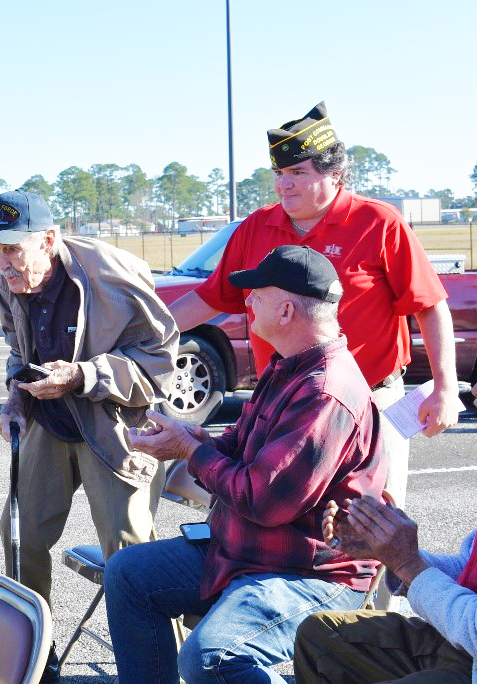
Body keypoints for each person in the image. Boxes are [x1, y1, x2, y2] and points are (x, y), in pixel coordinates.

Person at [105, 245, 388, 684]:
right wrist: (193, 437)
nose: (248, 300)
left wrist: (188, 450)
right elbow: (239, 445)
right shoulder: (290, 367)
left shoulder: (325, 392)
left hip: (307, 574)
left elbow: (265, 501)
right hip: (250, 553)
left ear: (288, 310)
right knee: (128, 574)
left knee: (212, 658)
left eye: (257, 292)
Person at [168, 101, 457, 510]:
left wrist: (445, 388)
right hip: (284, 403)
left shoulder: (379, 223)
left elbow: (429, 305)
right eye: (280, 174)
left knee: (375, 521)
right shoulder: (256, 227)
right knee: (276, 515)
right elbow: (211, 298)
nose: (284, 185)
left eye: (298, 173)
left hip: (371, 403)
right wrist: (147, 330)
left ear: (334, 173)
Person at [0, 190, 179, 679]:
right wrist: (16, 397)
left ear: (48, 239)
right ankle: (35, 658)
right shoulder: (12, 278)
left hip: (112, 425)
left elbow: (161, 366)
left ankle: (156, 670)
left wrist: (84, 375)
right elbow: (16, 349)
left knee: (131, 556)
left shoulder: (111, 275)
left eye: (12, 249)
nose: (3, 264)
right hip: (51, 419)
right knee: (19, 536)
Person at [294, 489, 477, 683]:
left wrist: (408, 565)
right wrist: (389, 552)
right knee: (318, 636)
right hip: (461, 643)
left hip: (470, 644)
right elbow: (467, 569)